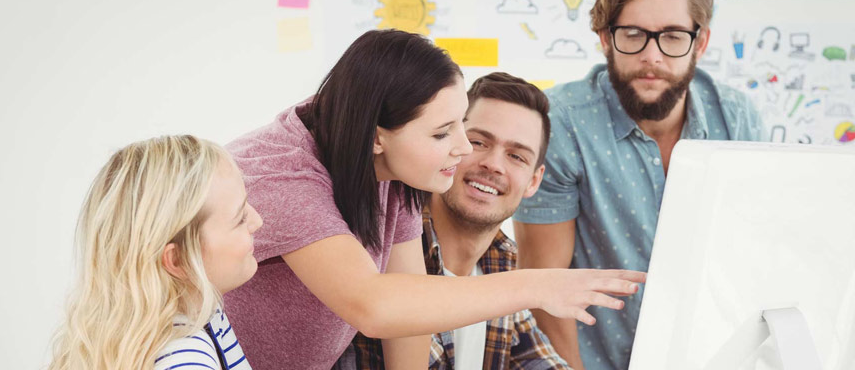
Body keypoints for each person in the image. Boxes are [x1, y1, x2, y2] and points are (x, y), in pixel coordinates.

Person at [222, 29, 647, 370]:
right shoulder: (285, 176)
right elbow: (374, 305)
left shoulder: (393, 164)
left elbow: (406, 321)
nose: (463, 149)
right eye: (443, 133)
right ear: (376, 137)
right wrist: (537, 283)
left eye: (460, 124)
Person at [513, 0, 765, 368]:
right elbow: (546, 292)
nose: (653, 56)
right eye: (632, 34)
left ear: (699, 43)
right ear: (604, 39)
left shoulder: (737, 120)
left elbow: (755, 259)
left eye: (672, 36)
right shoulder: (560, 123)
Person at [346, 73, 571, 369]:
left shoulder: (501, 266)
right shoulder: (374, 254)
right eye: (478, 142)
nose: (493, 164)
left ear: (534, 181)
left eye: (517, 156)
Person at [48, 135, 263, 370]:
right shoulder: (185, 360)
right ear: (178, 260)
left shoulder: (203, 314)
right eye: (240, 218)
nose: (257, 221)